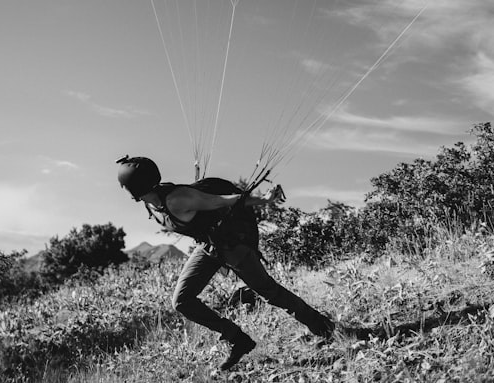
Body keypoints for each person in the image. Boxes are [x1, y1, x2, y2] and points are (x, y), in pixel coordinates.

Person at [117, 155, 334, 370]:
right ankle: (237, 339)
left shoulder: (177, 199)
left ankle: (325, 328)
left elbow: (226, 200)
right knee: (182, 301)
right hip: (208, 246)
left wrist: (265, 200)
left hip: (231, 245)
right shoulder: (151, 204)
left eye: (125, 186)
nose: (124, 190)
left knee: (269, 292)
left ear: (135, 188)